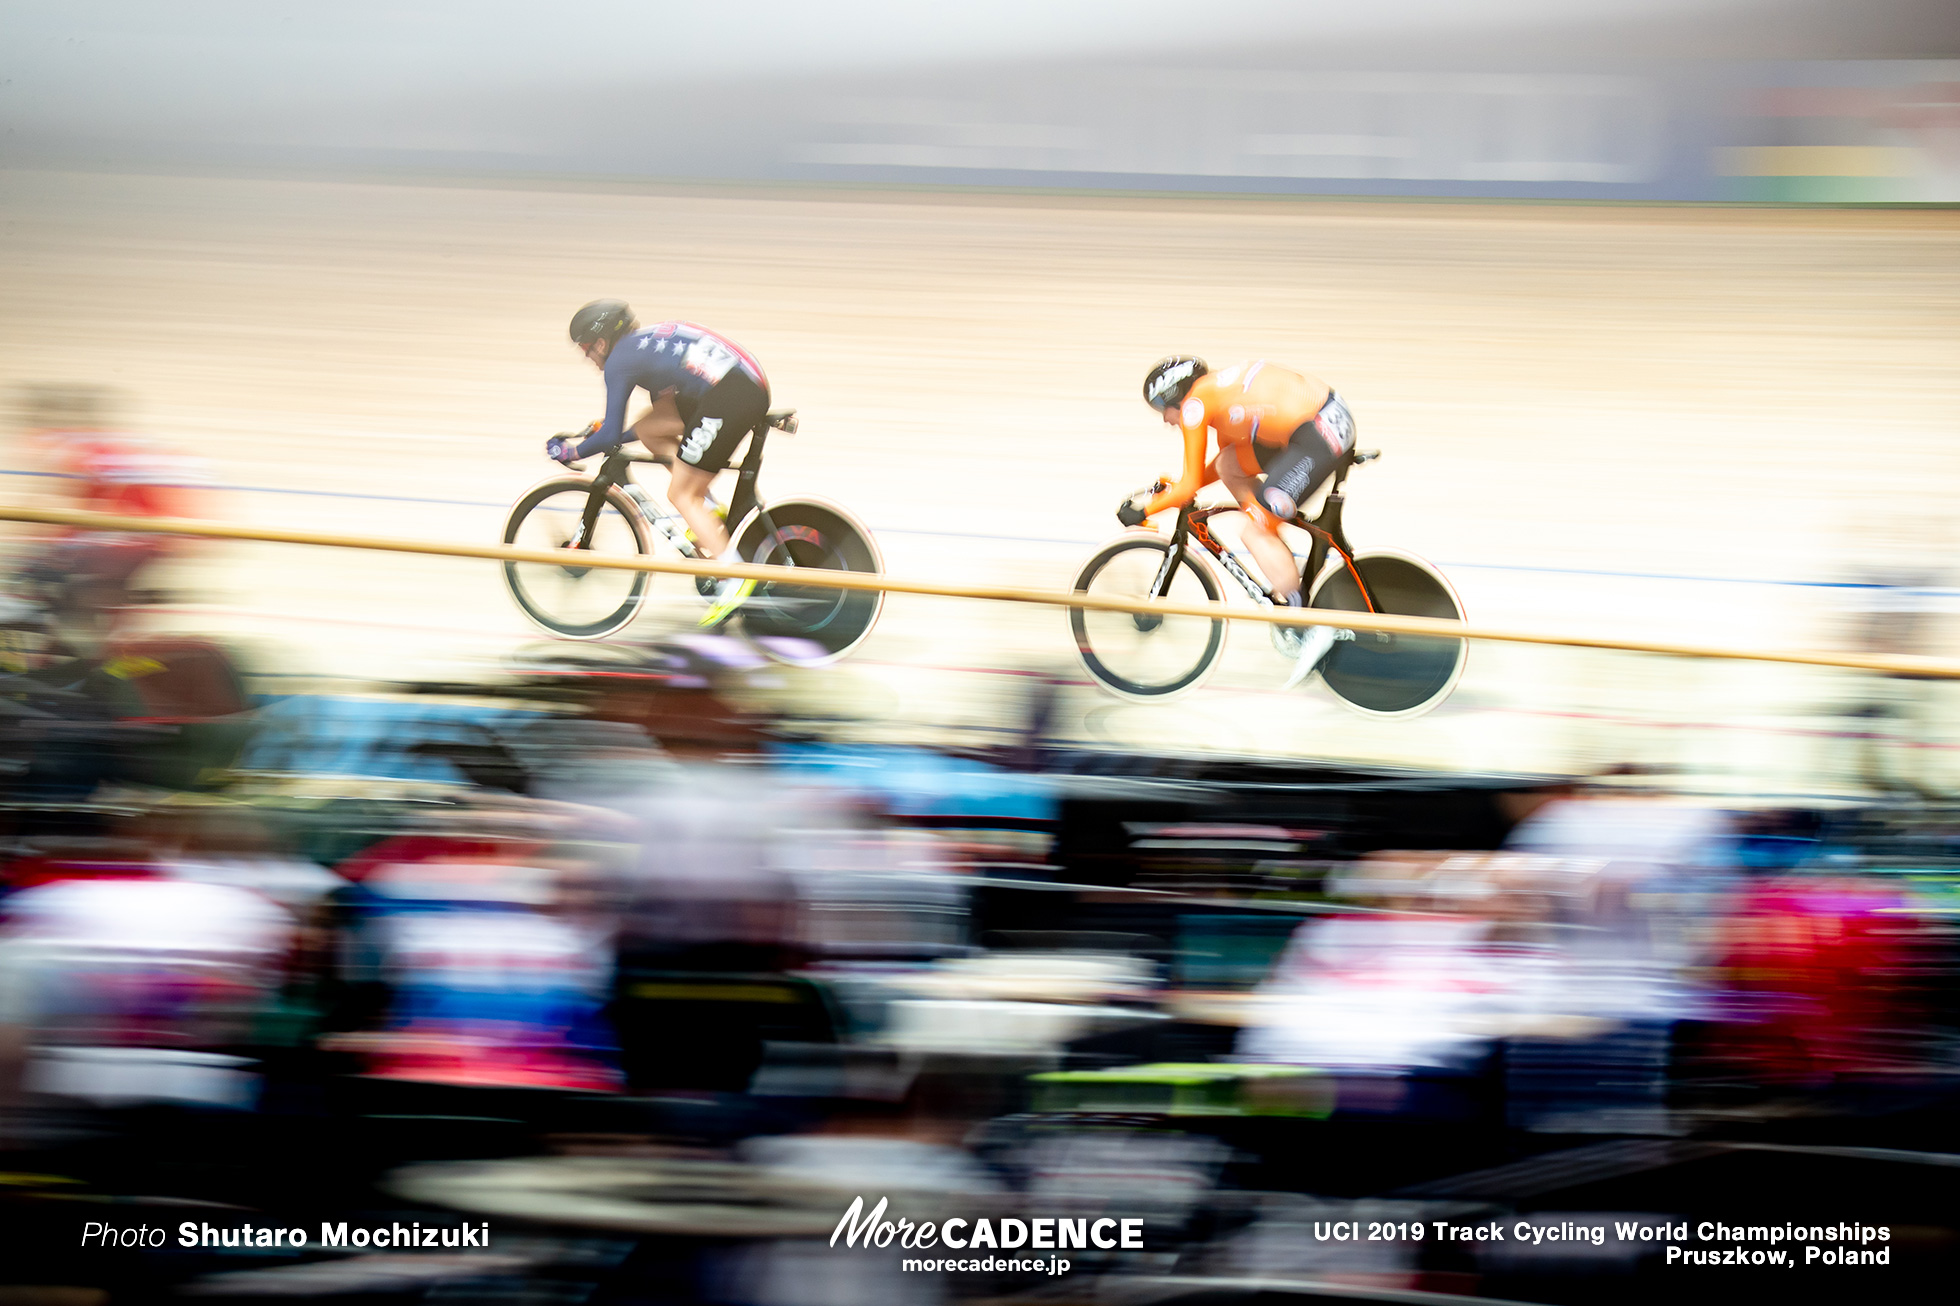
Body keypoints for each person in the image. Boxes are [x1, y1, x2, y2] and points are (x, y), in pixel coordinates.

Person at [1124, 356, 1357, 684]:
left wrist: (1144, 511)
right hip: (1322, 421)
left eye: (1163, 407)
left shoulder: (1195, 405)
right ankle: (1270, 531)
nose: (1165, 419)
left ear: (1176, 396)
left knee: (1254, 534)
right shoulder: (1216, 391)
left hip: (1317, 435)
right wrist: (1173, 491)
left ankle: (1305, 625)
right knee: (1229, 466)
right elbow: (1218, 465)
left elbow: (1189, 484)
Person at [548, 300, 770, 627]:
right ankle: (710, 509)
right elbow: (661, 418)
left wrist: (573, 453)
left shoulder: (619, 362)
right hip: (740, 386)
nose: (586, 356)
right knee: (650, 429)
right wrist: (614, 434)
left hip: (731, 395)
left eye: (585, 347)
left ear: (601, 341)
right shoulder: (646, 347)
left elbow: (609, 435)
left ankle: (735, 578)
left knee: (682, 495)